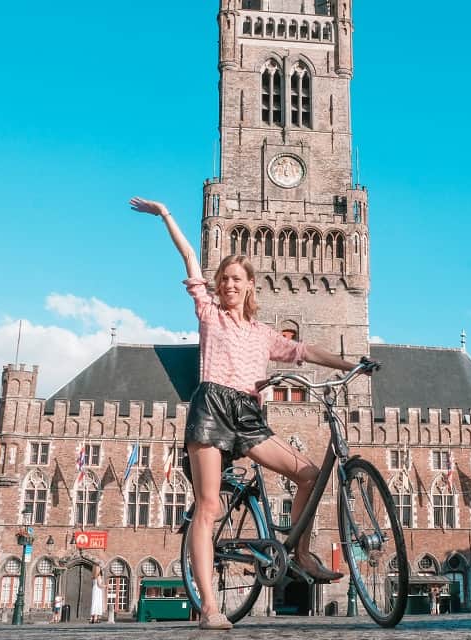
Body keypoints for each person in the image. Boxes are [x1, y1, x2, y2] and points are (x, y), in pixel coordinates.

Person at [130, 196, 368, 631]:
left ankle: (298, 551)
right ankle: (210, 608)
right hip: (211, 408)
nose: (228, 285)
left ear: (249, 286)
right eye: (224, 279)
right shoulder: (208, 314)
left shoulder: (262, 334)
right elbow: (187, 256)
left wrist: (350, 364)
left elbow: (304, 351)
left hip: (248, 415)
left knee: (311, 473)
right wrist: (166, 214)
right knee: (207, 507)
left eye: (236, 279)